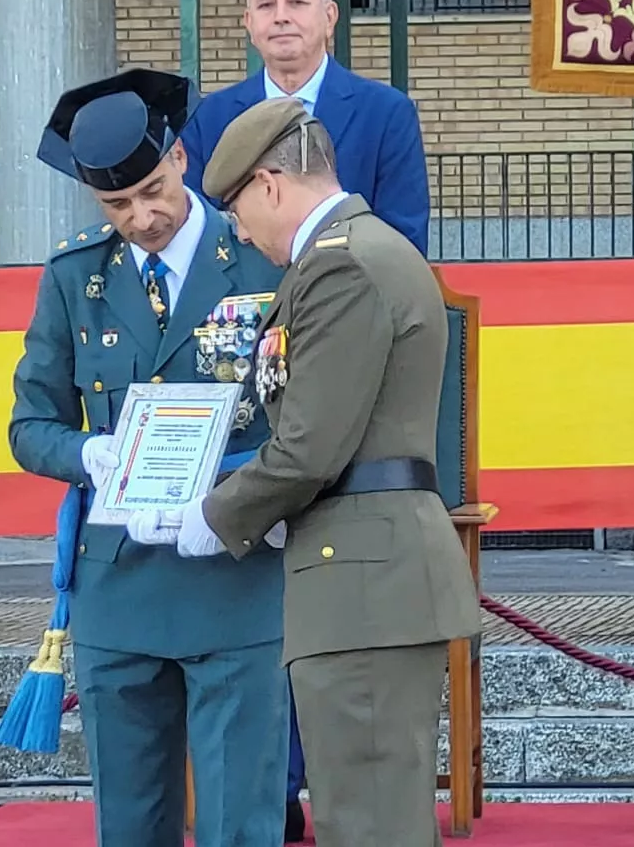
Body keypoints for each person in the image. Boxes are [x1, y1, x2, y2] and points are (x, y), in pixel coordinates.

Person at [127, 96, 483, 847]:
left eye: (238, 211)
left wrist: (211, 517)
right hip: (360, 575)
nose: (241, 232)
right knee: (366, 812)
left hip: (363, 582)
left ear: (270, 185)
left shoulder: (341, 265)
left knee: (370, 822)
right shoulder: (352, 254)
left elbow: (310, 448)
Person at [9, 67, 291, 847]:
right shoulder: (77, 278)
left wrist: (249, 488)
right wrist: (90, 453)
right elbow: (30, 427)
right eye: (117, 206)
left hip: (234, 571)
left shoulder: (261, 260)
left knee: (242, 819)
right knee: (131, 823)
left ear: (182, 162)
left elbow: (308, 414)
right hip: (118, 584)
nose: (142, 217)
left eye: (153, 191)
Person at [181, 0, 431, 256]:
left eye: (296, 2)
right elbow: (197, 235)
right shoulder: (208, 119)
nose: (281, 17)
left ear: (329, 17)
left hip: (349, 298)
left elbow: (403, 241)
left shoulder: (386, 114)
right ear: (249, 24)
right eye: (266, 5)